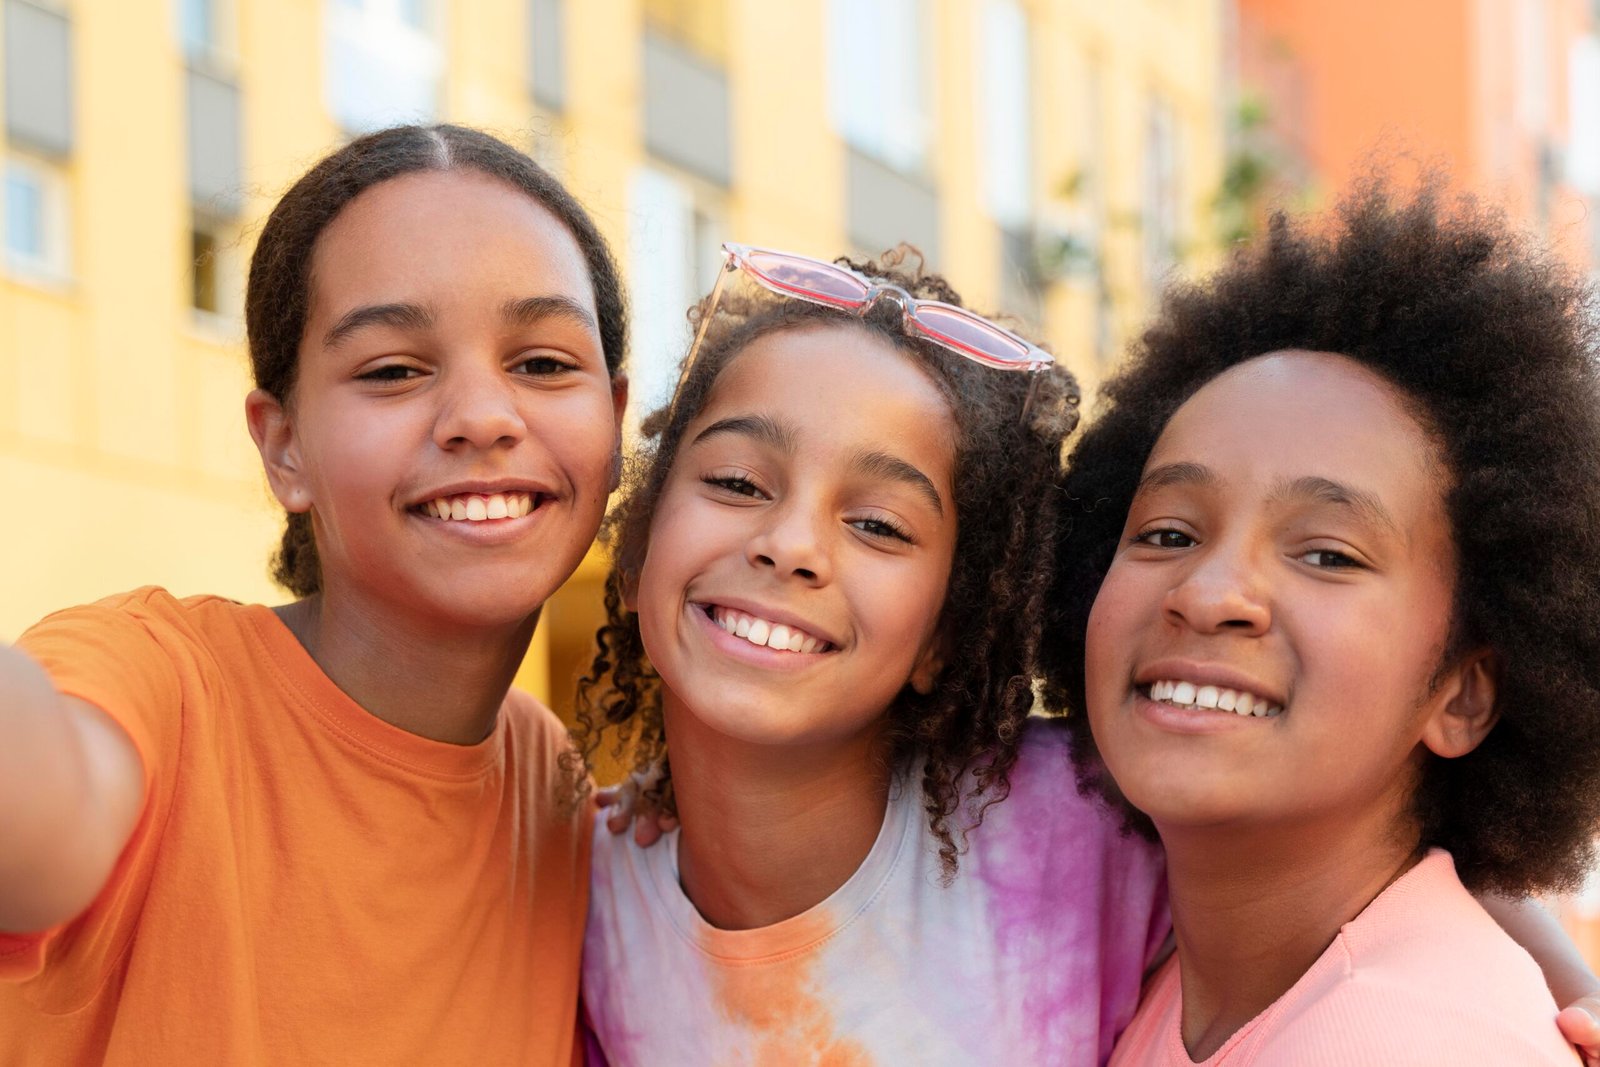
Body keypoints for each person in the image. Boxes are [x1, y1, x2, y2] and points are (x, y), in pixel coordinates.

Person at [0, 124, 628, 1064]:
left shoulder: (551, 786)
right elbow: (41, 796)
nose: (482, 417)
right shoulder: (163, 685)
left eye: (541, 362)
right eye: (393, 370)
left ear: (614, 421)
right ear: (283, 444)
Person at [1042, 183, 1600, 1064]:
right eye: (1168, 533)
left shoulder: (1405, 1041)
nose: (1208, 591)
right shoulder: (1170, 970)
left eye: (1328, 554)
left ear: (1462, 694)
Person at [577, 243, 1172, 1065]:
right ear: (640, 545)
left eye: (878, 525)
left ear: (946, 633)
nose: (791, 545)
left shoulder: (1098, 825)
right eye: (738, 482)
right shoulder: (579, 897)